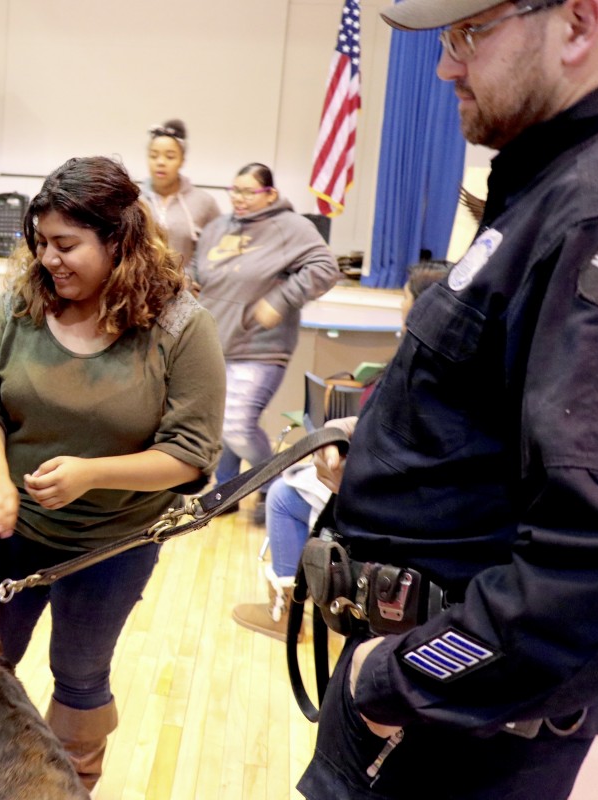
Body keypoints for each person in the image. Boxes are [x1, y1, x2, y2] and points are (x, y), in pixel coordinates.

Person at [297, 1, 598, 797]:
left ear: (578, 22)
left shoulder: (588, 215)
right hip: (430, 702)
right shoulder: (544, 193)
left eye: (471, 32)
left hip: (460, 722)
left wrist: (394, 678)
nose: (446, 66)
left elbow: (587, 564)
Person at [0, 156, 226, 792]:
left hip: (113, 544)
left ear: (118, 242)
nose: (49, 258)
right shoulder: (23, 303)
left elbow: (190, 454)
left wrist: (91, 475)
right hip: (11, 533)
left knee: (79, 674)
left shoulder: (181, 325)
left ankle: (66, 785)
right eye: (41, 242)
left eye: (67, 245)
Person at [231, 259, 453, 642]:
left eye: (403, 295)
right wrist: (337, 431)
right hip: (384, 493)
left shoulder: (423, 373)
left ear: (419, 306)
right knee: (290, 482)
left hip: (392, 511)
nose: (400, 303)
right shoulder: (421, 364)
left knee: (283, 497)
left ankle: (288, 615)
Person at [190, 162, 340, 516]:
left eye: (248, 192)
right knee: (220, 422)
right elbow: (197, 270)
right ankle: (226, 492)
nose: (239, 199)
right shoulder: (217, 228)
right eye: (235, 191)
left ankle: (275, 481)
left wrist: (280, 299)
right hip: (215, 342)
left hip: (261, 346)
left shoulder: (291, 227)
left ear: (270, 193)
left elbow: (326, 268)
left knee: (237, 423)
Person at [138, 119, 220, 269]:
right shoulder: (133, 199)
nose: (161, 162)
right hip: (137, 287)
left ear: (182, 160)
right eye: (154, 155)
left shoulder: (204, 202)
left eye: (170, 156)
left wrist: (192, 279)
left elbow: (216, 250)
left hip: (184, 288)